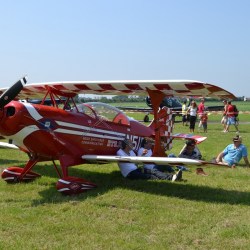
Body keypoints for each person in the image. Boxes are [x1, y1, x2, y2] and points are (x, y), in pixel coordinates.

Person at [116, 139, 182, 181]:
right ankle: (170, 178)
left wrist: (142, 155)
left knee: (153, 172)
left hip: (136, 169)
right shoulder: (120, 152)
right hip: (130, 173)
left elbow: (137, 161)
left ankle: (172, 177)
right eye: (131, 144)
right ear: (127, 145)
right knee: (150, 176)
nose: (133, 145)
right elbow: (131, 161)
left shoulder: (131, 152)